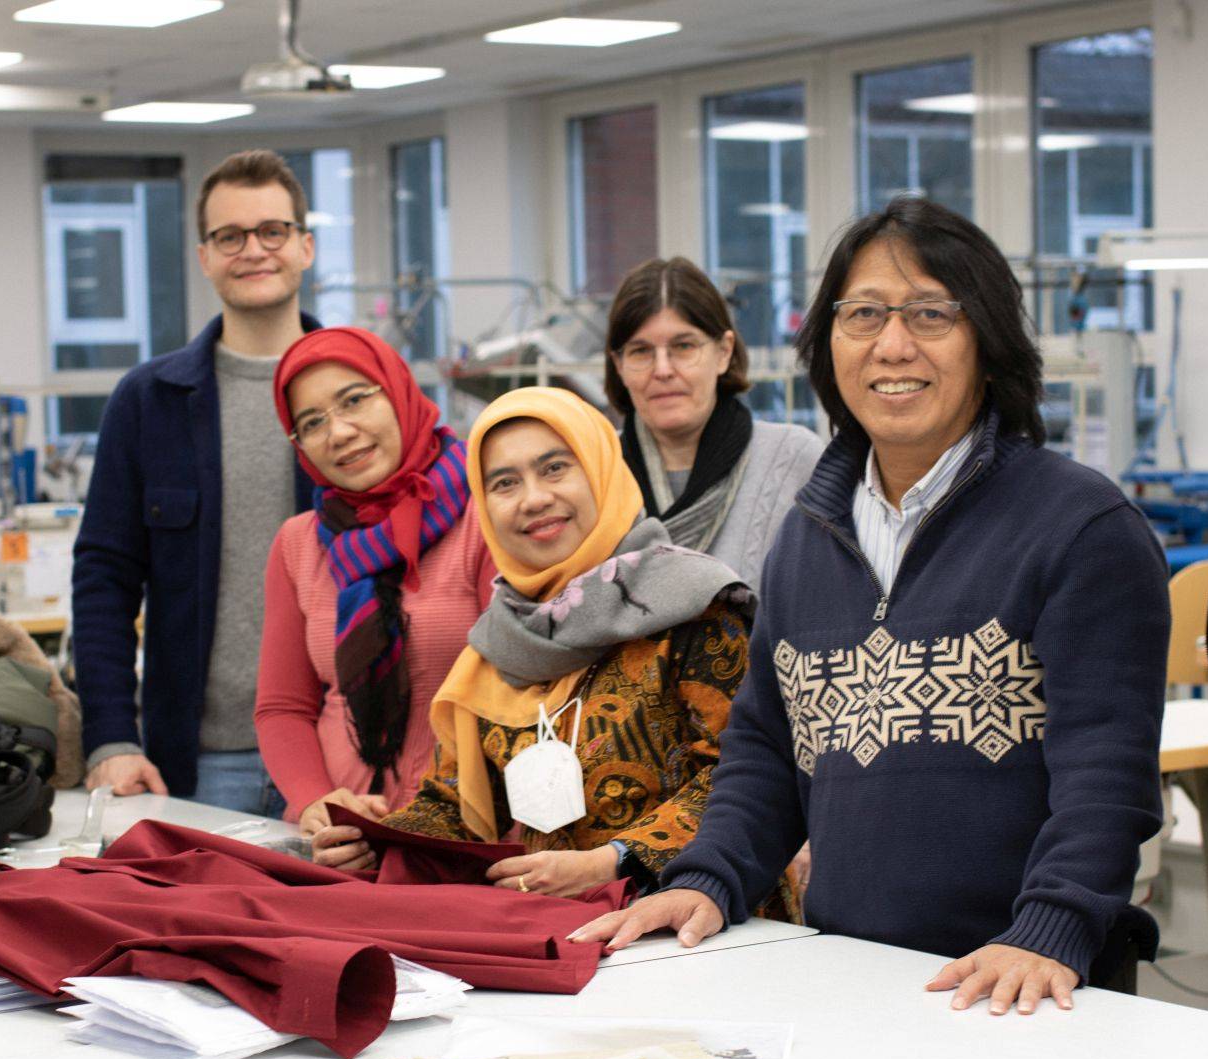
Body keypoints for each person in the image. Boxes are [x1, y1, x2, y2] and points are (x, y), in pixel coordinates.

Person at [574, 198, 1170, 1015]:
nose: (894, 345)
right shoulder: (806, 540)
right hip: (849, 980)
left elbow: (1108, 776)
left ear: (987, 339)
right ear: (829, 347)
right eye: (863, 315)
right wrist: (710, 876)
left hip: (1026, 992)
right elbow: (766, 749)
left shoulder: (1079, 527)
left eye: (931, 313)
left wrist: (1050, 927)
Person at [311, 386, 767, 909]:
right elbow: (453, 804)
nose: (533, 498)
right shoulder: (499, 641)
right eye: (504, 483)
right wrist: (377, 842)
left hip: (703, 923)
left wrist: (613, 860)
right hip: (563, 932)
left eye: (554, 469)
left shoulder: (694, 603)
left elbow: (742, 776)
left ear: (599, 469)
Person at [72, 149, 321, 812]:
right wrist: (110, 738)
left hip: (342, 757)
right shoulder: (149, 401)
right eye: (229, 236)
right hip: (205, 760)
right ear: (205, 256)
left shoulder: (365, 393)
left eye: (272, 231)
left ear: (305, 246)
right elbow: (104, 578)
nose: (253, 250)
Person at [256, 327, 495, 836]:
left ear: (399, 391)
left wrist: (434, 821)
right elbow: (284, 706)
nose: (339, 432)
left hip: (467, 832)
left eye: (354, 400)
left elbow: (522, 693)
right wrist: (317, 803)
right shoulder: (299, 544)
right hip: (340, 837)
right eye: (312, 422)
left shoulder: (487, 514)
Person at [605, 257, 823, 588]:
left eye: (683, 346)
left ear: (723, 352)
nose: (662, 369)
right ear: (618, 365)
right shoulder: (596, 474)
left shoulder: (795, 460)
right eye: (640, 351)